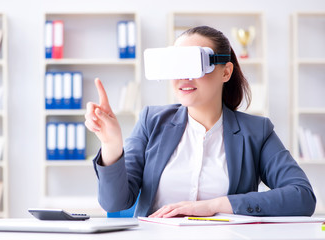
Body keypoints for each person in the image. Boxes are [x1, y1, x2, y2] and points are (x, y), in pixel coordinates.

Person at [85, 25, 316, 218]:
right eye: (177, 65)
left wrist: (215, 205)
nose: (184, 76)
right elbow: (114, 204)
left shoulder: (257, 132)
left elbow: (302, 196)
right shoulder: (151, 122)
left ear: (225, 72)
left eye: (194, 64)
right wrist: (111, 145)